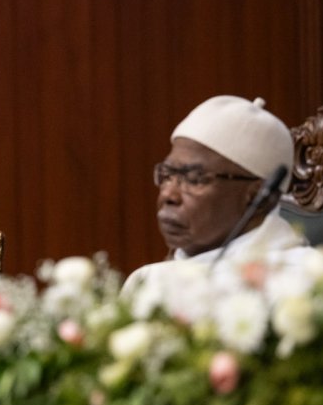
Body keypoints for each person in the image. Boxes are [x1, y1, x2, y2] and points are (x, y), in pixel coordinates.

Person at [123, 95, 306, 292]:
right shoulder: (147, 281)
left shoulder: (298, 282)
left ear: (260, 197)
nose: (169, 195)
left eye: (195, 178)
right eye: (167, 175)